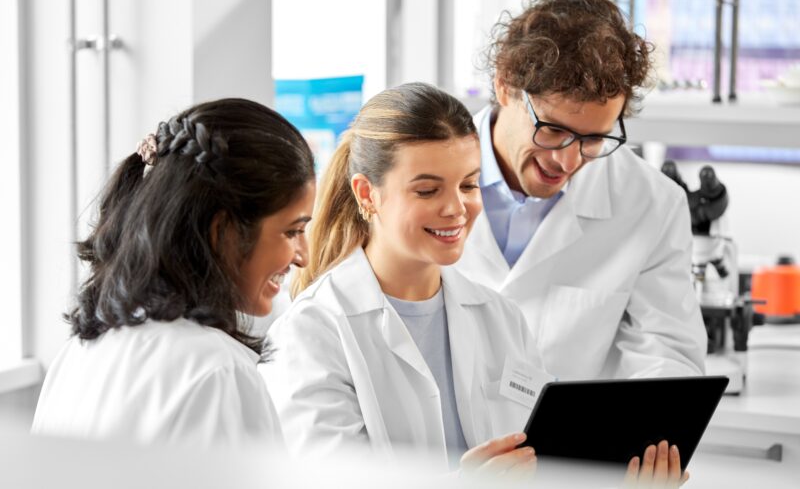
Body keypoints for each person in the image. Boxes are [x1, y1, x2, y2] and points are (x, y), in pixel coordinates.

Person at [262, 82, 687, 485]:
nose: (456, 209)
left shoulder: (499, 318)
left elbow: (537, 471)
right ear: (367, 194)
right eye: (427, 191)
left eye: (468, 185)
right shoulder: (313, 331)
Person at [454, 0, 707, 380]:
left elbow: (666, 352)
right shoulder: (418, 176)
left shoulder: (651, 203)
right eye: (553, 130)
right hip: (435, 443)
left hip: (566, 444)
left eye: (594, 138)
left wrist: (651, 428)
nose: (567, 160)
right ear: (505, 85)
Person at [31, 98, 315, 447]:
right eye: (292, 231)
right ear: (222, 231)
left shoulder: (79, 353)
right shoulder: (217, 372)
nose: (304, 256)